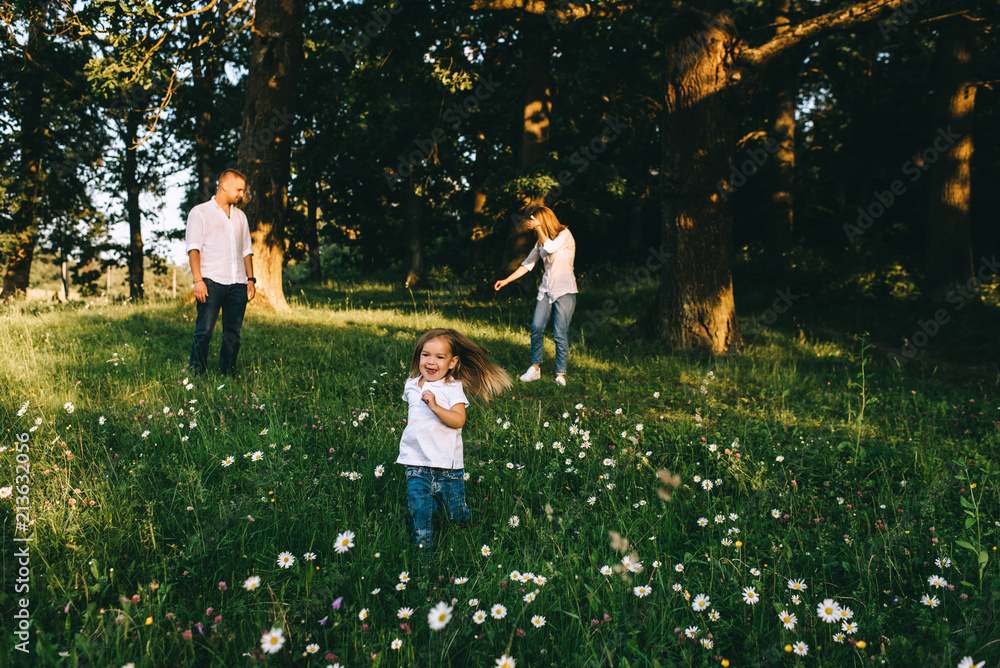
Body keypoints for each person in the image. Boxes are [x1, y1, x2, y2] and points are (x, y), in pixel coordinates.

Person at [396, 328, 511, 560]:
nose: (431, 362)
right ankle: (424, 562)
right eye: (426, 355)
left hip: (448, 468)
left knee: (456, 516)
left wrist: (435, 407)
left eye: (440, 357)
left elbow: (459, 420)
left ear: (452, 362)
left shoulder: (452, 387)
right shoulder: (411, 385)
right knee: (421, 516)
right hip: (416, 465)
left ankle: (465, 529)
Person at [494, 205, 578, 386]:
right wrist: (507, 280)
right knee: (536, 327)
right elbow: (528, 264)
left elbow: (551, 248)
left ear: (543, 220)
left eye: (534, 220)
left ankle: (560, 375)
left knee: (560, 334)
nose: (531, 224)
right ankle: (535, 368)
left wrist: (539, 228)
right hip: (546, 290)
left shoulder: (565, 234)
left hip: (565, 291)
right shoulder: (540, 241)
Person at [185, 169, 256, 376]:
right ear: (224, 186)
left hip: (238, 283)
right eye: (239, 190)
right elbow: (193, 248)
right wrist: (198, 280)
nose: (241, 194)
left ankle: (228, 373)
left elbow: (246, 250)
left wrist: (250, 279)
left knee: (233, 334)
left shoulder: (240, 216)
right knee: (204, 332)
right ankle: (197, 375)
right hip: (211, 282)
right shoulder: (200, 212)